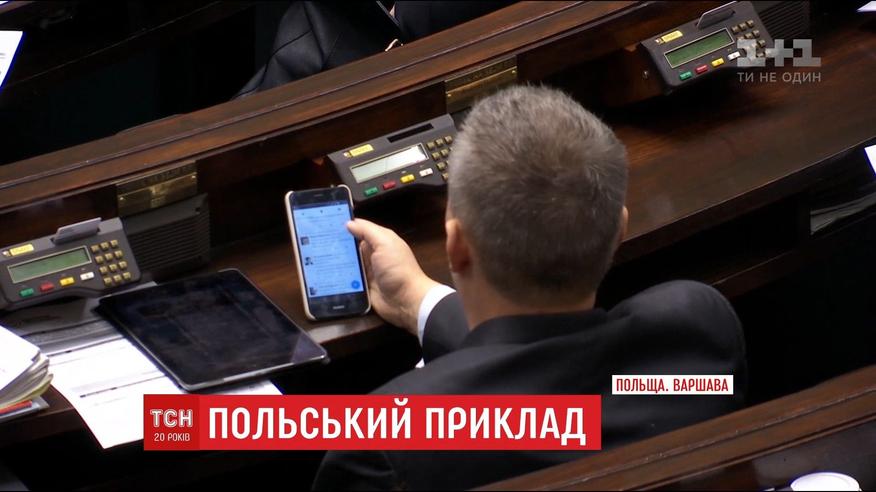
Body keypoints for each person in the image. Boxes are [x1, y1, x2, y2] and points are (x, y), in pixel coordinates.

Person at [312, 85, 747, 490]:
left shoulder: (385, 447)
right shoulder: (697, 336)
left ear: (456, 246)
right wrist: (417, 299)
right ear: (618, 232)